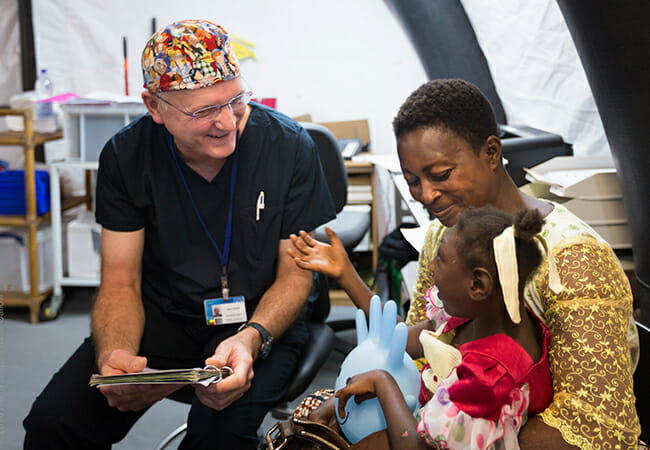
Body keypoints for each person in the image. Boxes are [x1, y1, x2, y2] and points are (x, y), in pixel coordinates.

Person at [23, 20, 335, 449]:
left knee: (214, 438)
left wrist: (249, 339)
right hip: (165, 315)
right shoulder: (125, 157)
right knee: (53, 425)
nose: (227, 122)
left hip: (260, 318)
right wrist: (115, 355)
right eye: (204, 111)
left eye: (236, 100)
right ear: (154, 106)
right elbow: (120, 280)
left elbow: (295, 276)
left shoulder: (288, 147)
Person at [289, 79, 640, 449]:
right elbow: (424, 349)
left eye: (440, 175)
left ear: (491, 153)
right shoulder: (445, 236)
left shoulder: (573, 260)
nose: (426, 195)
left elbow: (595, 427)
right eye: (412, 181)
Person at [335, 206, 553, 449]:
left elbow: (416, 447)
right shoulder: (487, 315)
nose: (430, 267)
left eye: (439, 259)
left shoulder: (487, 379)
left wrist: (382, 382)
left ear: (478, 284)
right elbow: (404, 341)